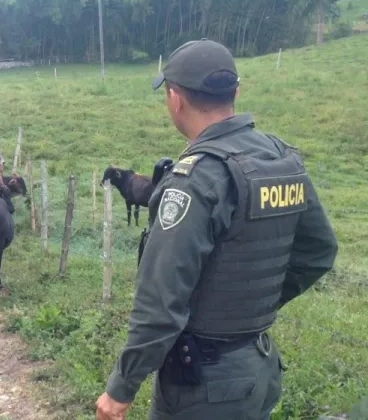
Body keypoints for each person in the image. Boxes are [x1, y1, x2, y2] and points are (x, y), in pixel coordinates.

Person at [94, 38, 339, 420]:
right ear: (235, 92)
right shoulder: (281, 158)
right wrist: (250, 305)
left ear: (175, 98)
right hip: (259, 365)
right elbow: (319, 253)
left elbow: (160, 301)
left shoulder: (196, 180)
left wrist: (120, 389)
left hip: (204, 386)